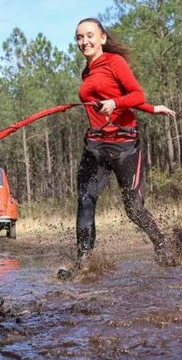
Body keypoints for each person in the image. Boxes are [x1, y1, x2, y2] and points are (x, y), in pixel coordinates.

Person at [60, 18, 175, 278]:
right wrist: (151, 109)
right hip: (96, 144)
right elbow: (114, 99)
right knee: (85, 200)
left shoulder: (115, 62)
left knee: (133, 209)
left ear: (102, 37)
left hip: (124, 144)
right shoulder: (87, 72)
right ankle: (84, 263)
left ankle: (163, 245)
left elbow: (136, 95)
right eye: (79, 37)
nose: (84, 41)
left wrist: (118, 103)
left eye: (89, 35)